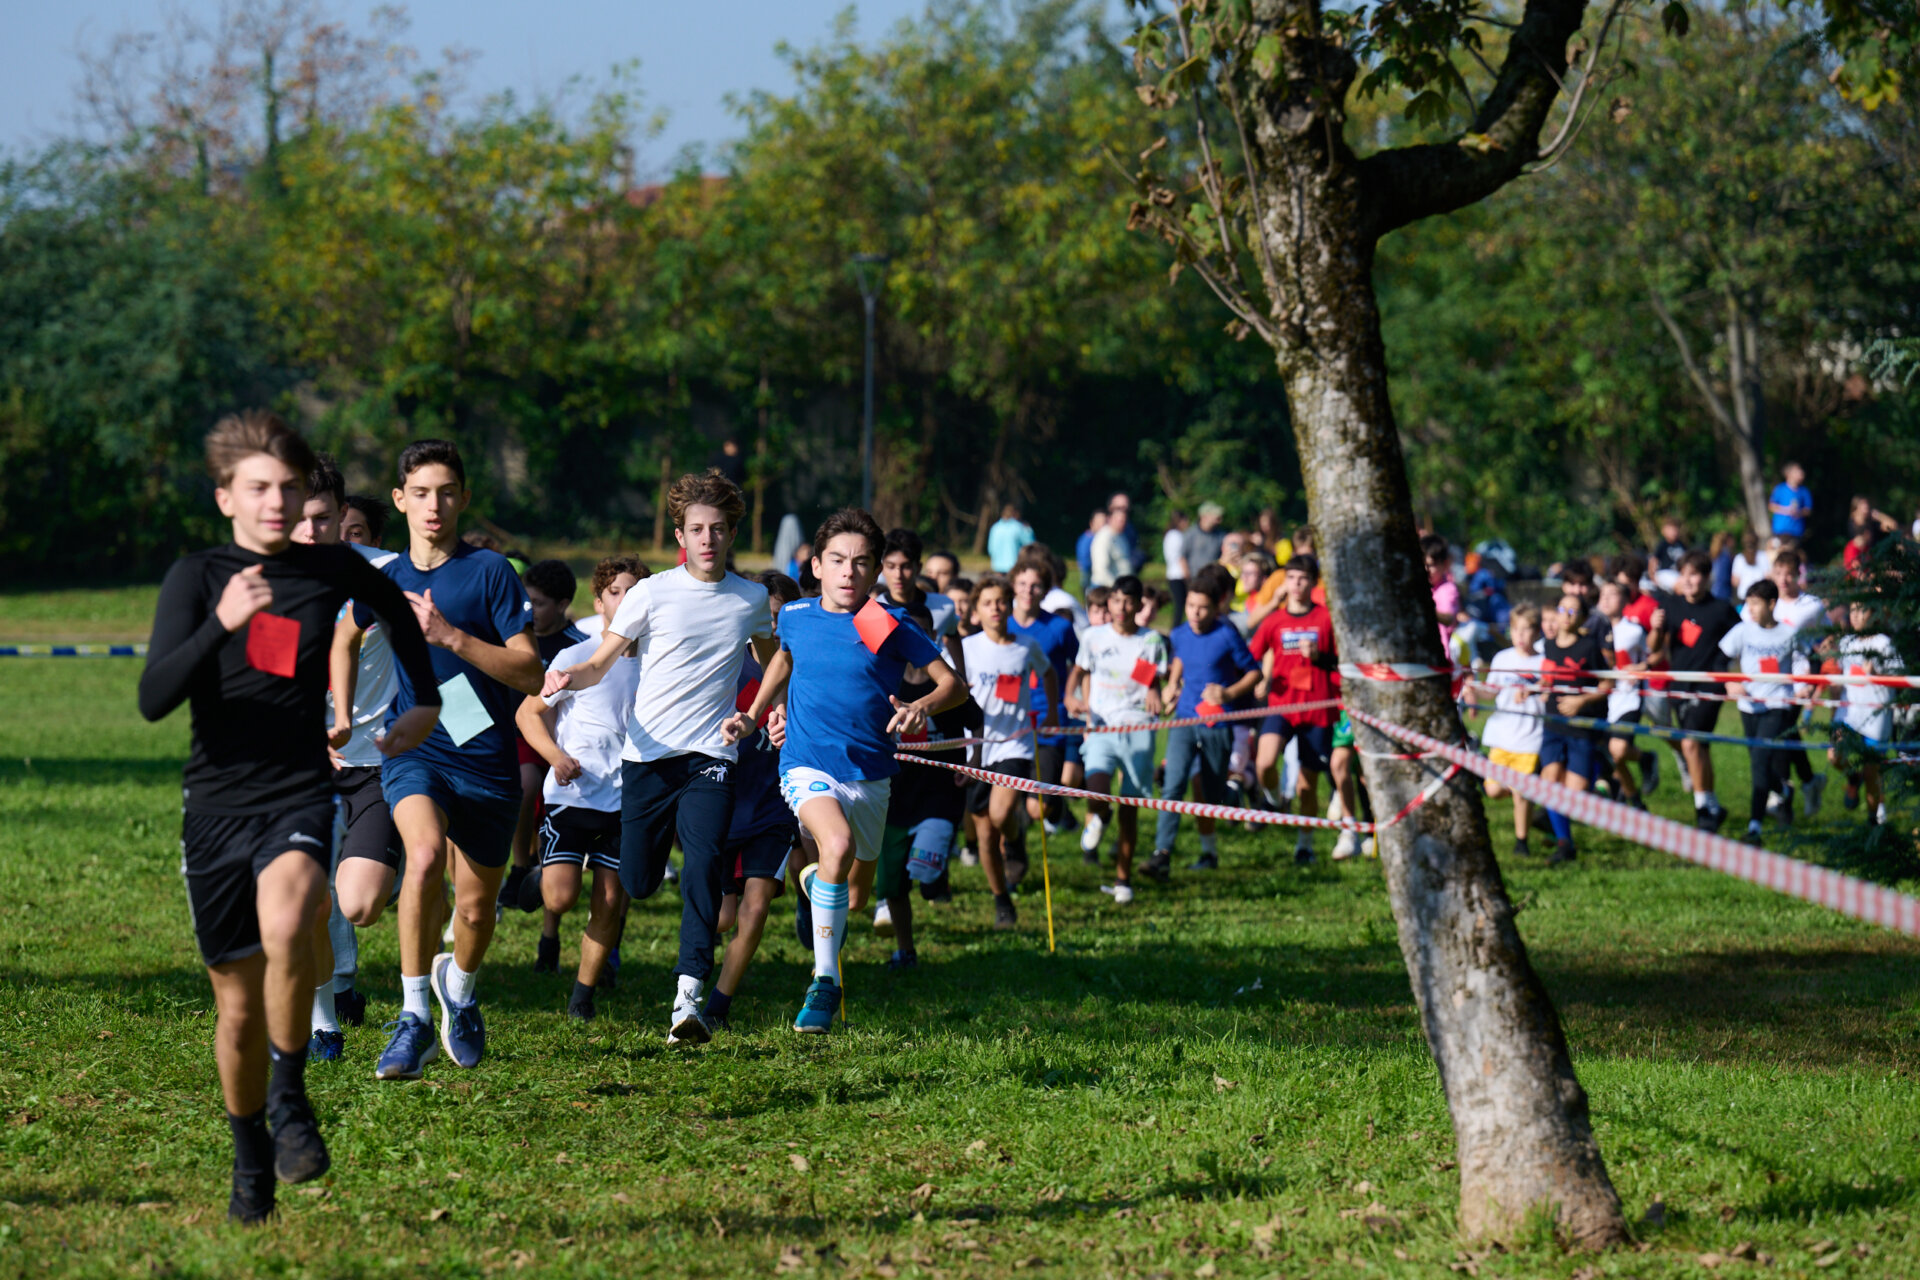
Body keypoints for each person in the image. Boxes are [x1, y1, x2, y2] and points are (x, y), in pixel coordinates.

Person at [140, 411, 442, 1222]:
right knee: (236, 1006)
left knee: (292, 918)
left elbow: (401, 613)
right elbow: (152, 699)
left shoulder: (335, 568)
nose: (277, 502)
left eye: (289, 487)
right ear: (225, 497)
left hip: (299, 792)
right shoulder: (198, 577)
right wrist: (221, 623)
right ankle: (250, 1155)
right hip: (216, 805)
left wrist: (427, 703)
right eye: (259, 488)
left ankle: (290, 1096)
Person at [542, 469, 777, 1047]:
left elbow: (776, 659)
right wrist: (569, 676)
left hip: (711, 754)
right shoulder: (649, 593)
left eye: (719, 529)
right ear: (680, 533)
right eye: (697, 529)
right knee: (640, 883)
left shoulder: (748, 599)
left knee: (702, 864)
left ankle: (687, 1000)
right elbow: (602, 662)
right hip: (647, 759)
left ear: (732, 534)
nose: (708, 539)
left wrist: (755, 713)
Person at [725, 509, 964, 1033]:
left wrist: (923, 706)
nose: (848, 572)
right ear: (816, 566)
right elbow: (782, 661)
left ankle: (812, 880)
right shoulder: (795, 616)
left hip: (871, 775)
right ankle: (825, 981)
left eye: (860, 563)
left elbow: (954, 686)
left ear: (876, 570)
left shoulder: (884, 623)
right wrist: (757, 712)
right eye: (837, 561)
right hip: (806, 763)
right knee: (834, 846)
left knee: (853, 894)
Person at [369, 440, 546, 1082]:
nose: (433, 506)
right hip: (417, 748)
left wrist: (451, 637)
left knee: (475, 910)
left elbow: (530, 673)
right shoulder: (384, 579)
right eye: (420, 493)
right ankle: (413, 1016)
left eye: (446, 492)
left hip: (486, 756)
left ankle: (460, 993)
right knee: (419, 857)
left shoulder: (491, 572)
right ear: (400, 501)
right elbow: (335, 639)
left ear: (464, 498)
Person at [513, 556, 645, 1021]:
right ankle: (535, 880)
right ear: (599, 601)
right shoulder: (575, 658)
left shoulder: (659, 663)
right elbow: (527, 715)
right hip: (573, 795)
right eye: (616, 592)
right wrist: (555, 757)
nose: (626, 600)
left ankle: (581, 997)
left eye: (635, 591)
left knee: (609, 900)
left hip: (627, 801)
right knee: (560, 898)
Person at [705, 571, 804, 1030]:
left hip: (773, 807)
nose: (772, 626)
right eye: (765, 617)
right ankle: (693, 974)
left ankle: (718, 1007)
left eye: (781, 617)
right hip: (723, 803)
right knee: (722, 918)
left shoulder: (804, 673)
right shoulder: (724, 666)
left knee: (756, 906)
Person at [874, 600, 982, 963]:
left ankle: (937, 874)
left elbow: (976, 720)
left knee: (925, 871)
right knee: (892, 886)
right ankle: (905, 949)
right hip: (894, 797)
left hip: (940, 794)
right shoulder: (884, 680)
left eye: (921, 633)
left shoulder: (950, 686)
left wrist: (974, 761)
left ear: (933, 637)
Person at [1145, 563, 1260, 880]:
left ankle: (1236, 791)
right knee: (1173, 785)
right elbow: (1181, 655)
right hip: (1184, 720)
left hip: (1217, 724)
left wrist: (1228, 692)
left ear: (1216, 607)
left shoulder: (1226, 634)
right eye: (1191, 606)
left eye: (1202, 608)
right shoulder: (1180, 633)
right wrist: (1172, 684)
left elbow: (1254, 672)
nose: (1195, 613)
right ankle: (1162, 853)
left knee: (1210, 795)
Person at [956, 575, 1057, 928]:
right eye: (988, 603)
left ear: (1010, 604)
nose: (996, 608)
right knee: (984, 835)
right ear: (976, 610)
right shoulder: (966, 648)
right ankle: (1002, 901)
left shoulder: (1025, 646)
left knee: (1001, 815)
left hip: (1015, 744)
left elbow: (1049, 674)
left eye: (1001, 601)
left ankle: (1014, 840)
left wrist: (1054, 713)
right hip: (976, 748)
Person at [1065, 575, 1167, 902]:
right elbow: (1079, 672)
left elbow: (1148, 678)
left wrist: (1154, 693)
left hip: (1137, 726)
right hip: (1101, 724)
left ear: (1139, 605)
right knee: (1096, 788)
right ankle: (1100, 814)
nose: (1121, 608)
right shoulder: (1093, 636)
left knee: (1130, 808)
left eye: (1128, 601)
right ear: (1108, 603)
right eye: (1116, 600)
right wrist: (1070, 697)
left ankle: (1123, 880)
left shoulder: (1151, 641)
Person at [505, 560, 589, 910]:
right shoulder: (512, 637)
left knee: (543, 804)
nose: (530, 610)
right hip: (517, 735)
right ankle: (519, 865)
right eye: (527, 601)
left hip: (562, 742)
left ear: (563, 604)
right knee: (525, 787)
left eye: (539, 603)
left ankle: (538, 876)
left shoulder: (579, 647)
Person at [1248, 554, 1338, 865]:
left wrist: (1320, 656)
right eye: (1291, 578)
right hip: (1281, 705)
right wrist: (1256, 678)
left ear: (1313, 583)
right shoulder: (1274, 620)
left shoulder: (1327, 618)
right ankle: (1272, 800)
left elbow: (1343, 663)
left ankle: (1305, 844)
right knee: (1264, 763)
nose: (1296, 584)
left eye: (1302, 579)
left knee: (1306, 784)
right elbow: (1251, 656)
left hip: (1317, 708)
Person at [1648, 551, 1741, 832]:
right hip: (1679, 684)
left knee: (1689, 743)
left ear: (1707, 578)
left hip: (1710, 686)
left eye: (1694, 574)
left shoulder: (1722, 609)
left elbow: (1742, 640)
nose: (1688, 581)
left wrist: (1733, 676)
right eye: (1684, 574)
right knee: (1699, 747)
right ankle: (1713, 805)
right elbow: (1654, 647)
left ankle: (1702, 808)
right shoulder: (1670, 605)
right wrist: (1654, 628)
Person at [1718, 579, 1812, 846]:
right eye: (1748, 604)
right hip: (1749, 705)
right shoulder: (1742, 631)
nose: (1750, 609)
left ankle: (1755, 827)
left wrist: (1803, 684)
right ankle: (1783, 790)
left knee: (1759, 759)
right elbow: (1719, 659)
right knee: (1759, 761)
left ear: (1772, 604)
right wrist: (1730, 681)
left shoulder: (1789, 634)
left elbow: (1808, 658)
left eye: (1756, 604)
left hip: (1777, 705)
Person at [1534, 592, 1612, 865]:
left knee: (1575, 791)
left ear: (1581, 618)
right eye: (1561, 609)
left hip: (1581, 725)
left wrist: (1581, 700)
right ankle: (1565, 843)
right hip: (1553, 724)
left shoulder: (1588, 647)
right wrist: (1540, 688)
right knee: (1549, 782)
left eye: (1572, 611)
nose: (1565, 615)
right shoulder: (1549, 645)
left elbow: (1606, 685)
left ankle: (1601, 776)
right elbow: (1547, 678)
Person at [1010, 555, 1082, 848]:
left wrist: (1071, 695)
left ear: (1047, 590)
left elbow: (1081, 663)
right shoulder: (1000, 624)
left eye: (1036, 585)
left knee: (1037, 806)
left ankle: (1059, 810)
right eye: (1023, 584)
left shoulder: (1059, 628)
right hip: (1010, 721)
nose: (1029, 590)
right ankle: (1013, 857)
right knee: (1008, 800)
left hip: (1049, 718)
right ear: (1013, 585)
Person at [1474, 603, 1545, 859]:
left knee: (1520, 792)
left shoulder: (1542, 662)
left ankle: (1521, 843)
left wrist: (1536, 691)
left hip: (1528, 737)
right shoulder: (1502, 658)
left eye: (1526, 630)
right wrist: (1474, 690)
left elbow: (1549, 693)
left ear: (1536, 632)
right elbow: (1491, 691)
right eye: (1516, 630)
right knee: (1493, 790)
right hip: (1501, 735)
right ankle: (1531, 805)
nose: (1520, 636)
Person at [1765, 549, 1829, 815]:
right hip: (1770, 677)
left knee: (1783, 728)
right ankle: (1809, 781)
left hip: (1800, 677)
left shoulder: (1811, 605)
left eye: (1788, 574)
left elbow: (1827, 637)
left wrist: (1816, 674)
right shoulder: (1767, 602)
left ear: (1797, 575)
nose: (1783, 580)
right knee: (1785, 730)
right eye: (1778, 574)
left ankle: (1781, 791)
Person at [1831, 599, 1899, 825]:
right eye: (1852, 610)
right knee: (1834, 755)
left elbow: (1900, 679)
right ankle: (1852, 777)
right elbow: (1840, 677)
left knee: (1872, 774)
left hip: (1875, 719)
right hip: (1848, 714)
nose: (1856, 616)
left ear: (1873, 614)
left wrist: (1878, 671)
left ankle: (1873, 822)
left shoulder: (1883, 644)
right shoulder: (1847, 643)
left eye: (1862, 611)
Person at [1596, 580, 1655, 807]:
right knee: (1613, 755)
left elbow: (1650, 660)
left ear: (1624, 600)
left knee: (1618, 750)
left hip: (1628, 698)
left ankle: (1645, 758)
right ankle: (1634, 800)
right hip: (1602, 699)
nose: (1607, 599)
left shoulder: (1634, 630)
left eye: (1613, 594)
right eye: (1603, 594)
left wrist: (1637, 669)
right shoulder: (1592, 629)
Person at [876, 528, 957, 643]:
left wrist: (959, 661)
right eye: (891, 566)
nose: (898, 575)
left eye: (906, 567)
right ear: (881, 568)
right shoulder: (874, 612)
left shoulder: (945, 607)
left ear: (918, 568)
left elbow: (952, 634)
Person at [1422, 536, 1468, 655]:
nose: (1426, 570)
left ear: (1446, 564)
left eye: (1431, 565)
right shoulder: (1425, 588)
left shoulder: (1447, 590)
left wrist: (1426, 610)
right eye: (1423, 564)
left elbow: (1448, 618)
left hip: (1443, 655)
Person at [1182, 503, 1226, 593]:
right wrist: (1187, 578)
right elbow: (1182, 557)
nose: (1219, 516)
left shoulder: (1221, 535)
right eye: (1215, 514)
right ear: (1204, 516)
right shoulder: (1191, 534)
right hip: (1195, 579)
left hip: (1214, 578)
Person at [1088, 504, 1134, 588]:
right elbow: (1101, 568)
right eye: (1119, 520)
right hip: (1104, 587)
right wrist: (1115, 587)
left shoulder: (1121, 536)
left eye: (1124, 520)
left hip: (1119, 586)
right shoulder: (1103, 538)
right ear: (1110, 519)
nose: (1122, 523)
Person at [1768, 462, 1813, 539]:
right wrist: (1786, 510)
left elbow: (1808, 510)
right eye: (1797, 471)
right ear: (1788, 474)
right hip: (1780, 531)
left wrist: (1798, 512)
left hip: (1796, 532)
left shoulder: (1804, 491)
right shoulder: (1780, 489)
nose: (1801, 473)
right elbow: (1771, 506)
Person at [987, 503, 1035, 573]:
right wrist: (1028, 530)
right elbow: (1030, 545)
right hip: (1013, 566)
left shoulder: (995, 527)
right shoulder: (1019, 527)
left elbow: (991, 549)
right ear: (1015, 514)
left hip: (996, 566)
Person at [1163, 510, 1191, 621]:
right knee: (1180, 606)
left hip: (1172, 573)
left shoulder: (1169, 535)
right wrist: (1187, 574)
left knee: (1179, 606)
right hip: (1179, 574)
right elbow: (1181, 557)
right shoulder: (1177, 535)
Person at [1648, 518, 1689, 588]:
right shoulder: (1662, 545)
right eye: (1671, 530)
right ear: (1664, 531)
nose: (1674, 532)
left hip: (1679, 573)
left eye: (1675, 530)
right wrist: (1652, 576)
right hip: (1665, 572)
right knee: (1679, 583)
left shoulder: (1681, 545)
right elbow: (1654, 560)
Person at [1731, 530, 1770, 599]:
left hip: (1744, 596)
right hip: (1760, 596)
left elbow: (1735, 581)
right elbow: (1768, 577)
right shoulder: (1763, 556)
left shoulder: (1739, 558)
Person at [1076, 510, 1106, 588]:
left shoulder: (1106, 538)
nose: (1102, 525)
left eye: (1104, 522)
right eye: (1099, 522)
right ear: (1092, 523)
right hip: (1090, 574)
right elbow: (1084, 559)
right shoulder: (1087, 539)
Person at [1708, 532, 1736, 601]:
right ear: (1728, 541)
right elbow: (1723, 577)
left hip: (1714, 591)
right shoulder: (1725, 556)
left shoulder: (1715, 555)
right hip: (1724, 593)